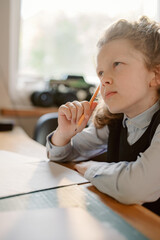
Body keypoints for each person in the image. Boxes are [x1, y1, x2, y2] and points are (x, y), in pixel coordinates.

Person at [46, 16, 160, 215]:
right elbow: (64, 155)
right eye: (100, 72)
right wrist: (64, 134)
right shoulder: (115, 120)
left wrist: (90, 169)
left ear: (156, 75)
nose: (104, 79)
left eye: (117, 64)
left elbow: (136, 187)